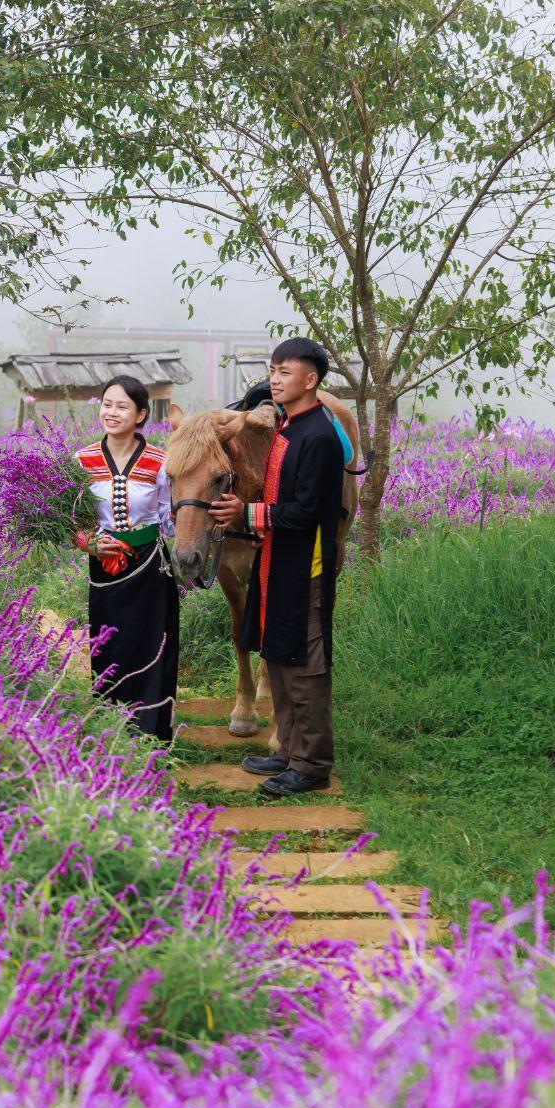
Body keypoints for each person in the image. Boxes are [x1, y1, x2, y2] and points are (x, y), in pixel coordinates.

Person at [207, 339, 347, 796]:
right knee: (280, 656)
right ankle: (286, 749)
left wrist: (245, 514)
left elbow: (305, 511)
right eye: (272, 370)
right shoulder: (287, 429)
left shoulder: (320, 437)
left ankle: (311, 765)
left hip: (305, 564)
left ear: (311, 380)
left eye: (285, 372)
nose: (275, 378)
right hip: (277, 560)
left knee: (305, 665)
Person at [71, 375, 181, 742]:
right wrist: (89, 544)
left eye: (122, 406)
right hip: (104, 567)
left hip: (150, 565)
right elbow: (71, 520)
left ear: (141, 414)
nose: (112, 413)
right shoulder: (81, 460)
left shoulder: (160, 461)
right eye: (107, 404)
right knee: (108, 644)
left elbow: (169, 517)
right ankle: (110, 729)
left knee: (152, 644)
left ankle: (150, 733)